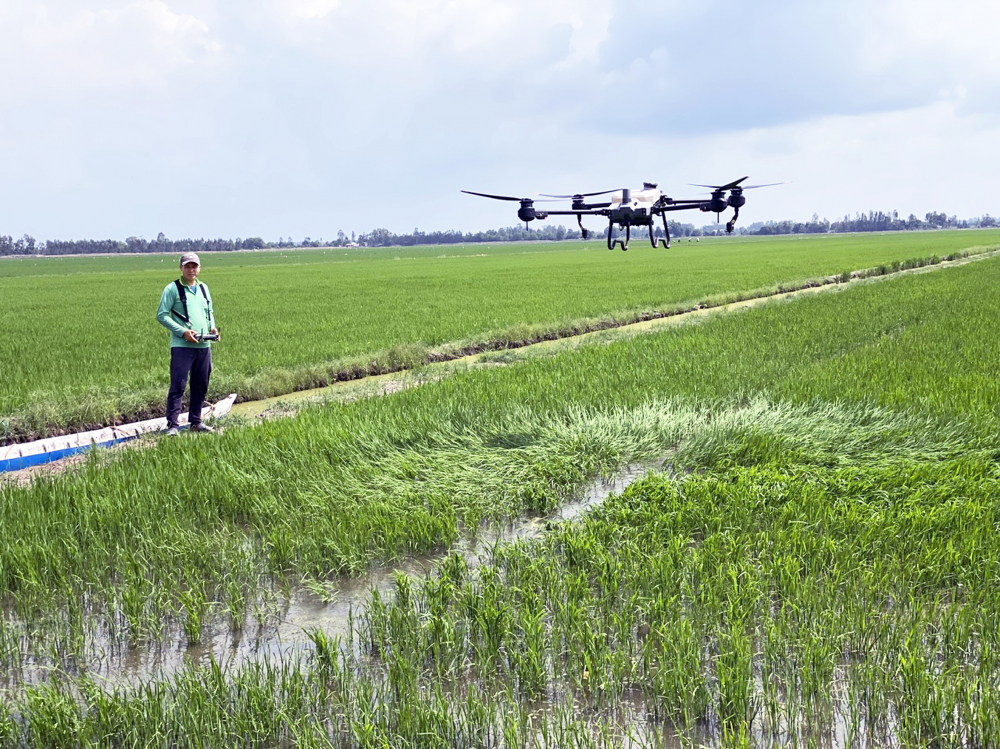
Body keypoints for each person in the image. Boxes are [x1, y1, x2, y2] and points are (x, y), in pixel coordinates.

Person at [156, 252, 220, 435]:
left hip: (203, 346)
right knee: (178, 385)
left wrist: (212, 329)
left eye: (195, 266)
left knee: (201, 385)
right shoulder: (172, 289)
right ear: (181, 268)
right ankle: (173, 426)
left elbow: (210, 312)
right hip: (182, 346)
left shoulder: (203, 288)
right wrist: (183, 332)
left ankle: (196, 422)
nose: (191, 270)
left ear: (199, 268)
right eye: (188, 266)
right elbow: (161, 315)